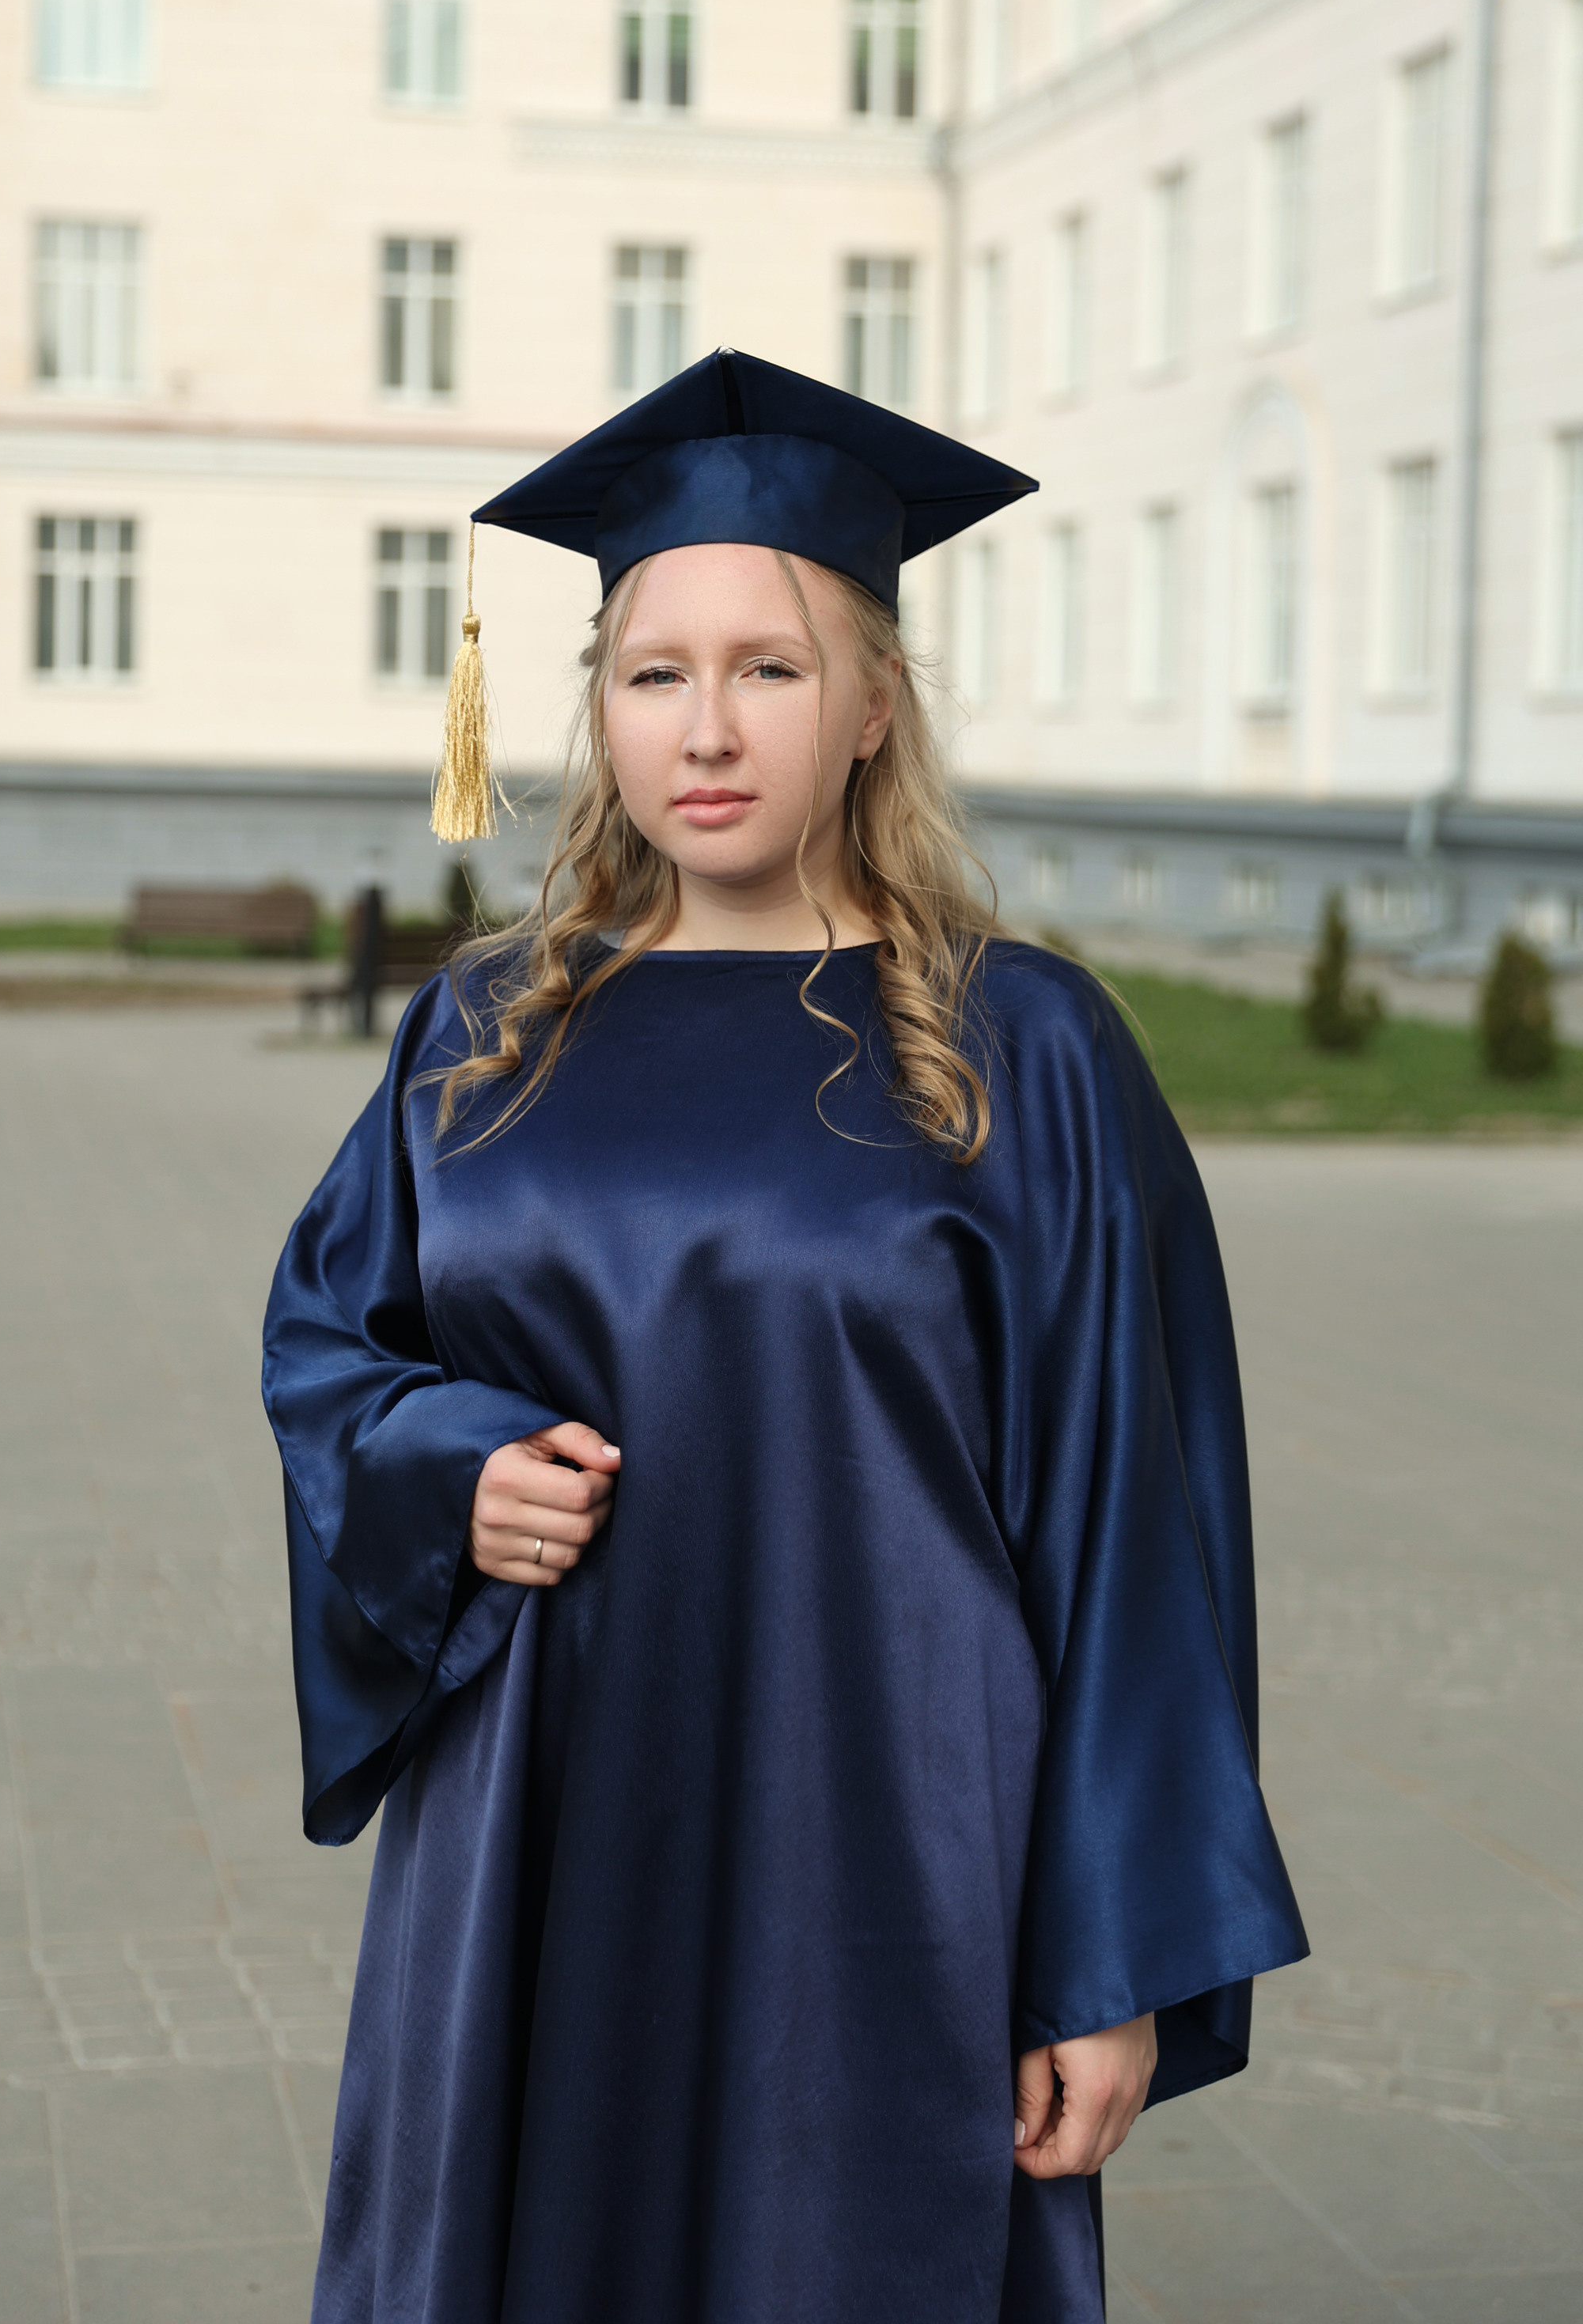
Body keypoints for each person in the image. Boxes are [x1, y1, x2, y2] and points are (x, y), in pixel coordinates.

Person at [263, 350, 1308, 2324]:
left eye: (770, 666)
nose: (708, 728)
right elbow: (332, 1352)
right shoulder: (483, 1030)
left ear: (873, 704)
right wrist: (445, 1472)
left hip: (891, 1837)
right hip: (541, 1819)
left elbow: (1135, 1523)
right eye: (654, 672)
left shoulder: (1023, 1045)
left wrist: (1107, 1955)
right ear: (597, 704)